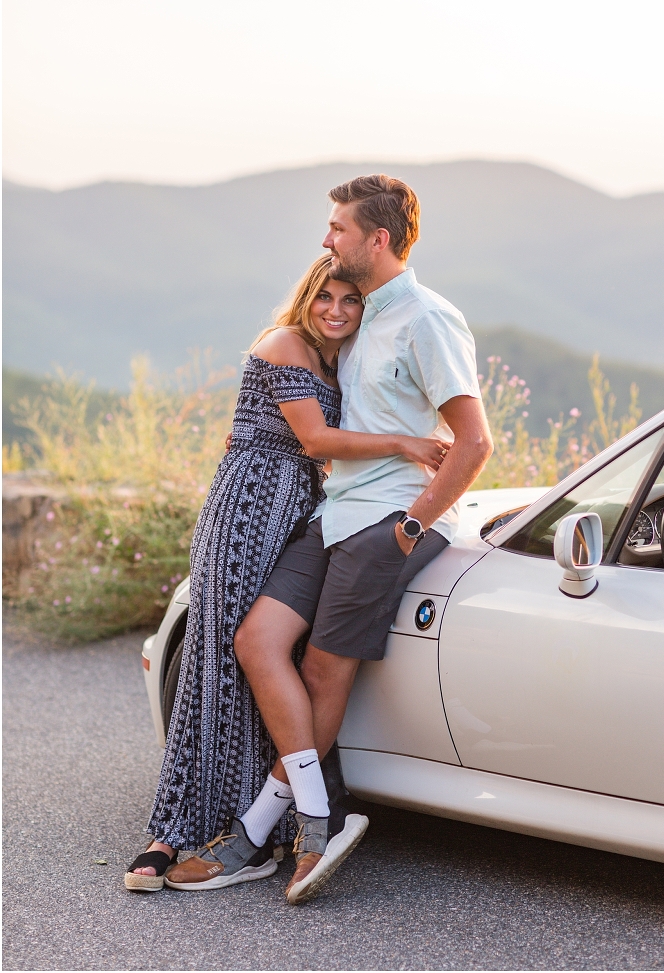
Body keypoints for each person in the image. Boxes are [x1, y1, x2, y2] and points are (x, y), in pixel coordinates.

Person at [125, 254, 451, 892]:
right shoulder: (284, 343)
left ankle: (259, 828)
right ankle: (173, 828)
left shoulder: (342, 359)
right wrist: (405, 444)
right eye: (325, 296)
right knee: (218, 660)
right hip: (248, 513)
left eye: (350, 300)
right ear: (306, 297)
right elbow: (316, 440)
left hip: (302, 510)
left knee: (271, 663)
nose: (336, 310)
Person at [229, 174, 494, 905]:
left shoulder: (427, 318)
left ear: (377, 239)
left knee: (322, 671)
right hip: (337, 513)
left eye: (339, 228)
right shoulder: (361, 314)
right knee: (257, 640)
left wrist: (412, 525)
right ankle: (314, 814)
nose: (327, 239)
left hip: (387, 522)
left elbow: (474, 442)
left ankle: (276, 829)